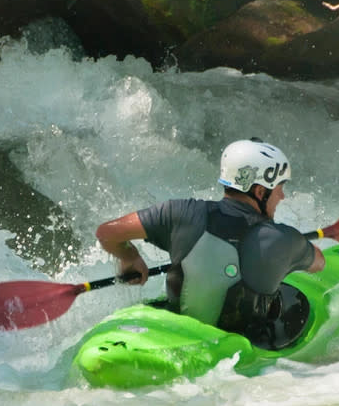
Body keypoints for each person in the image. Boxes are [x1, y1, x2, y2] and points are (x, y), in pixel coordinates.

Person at [95, 138, 325, 349]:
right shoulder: (283, 239)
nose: (282, 197)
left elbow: (107, 233)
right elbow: (319, 263)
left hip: (175, 332)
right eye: (280, 189)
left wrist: (130, 257)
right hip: (231, 347)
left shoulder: (180, 213)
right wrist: (292, 253)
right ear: (259, 191)